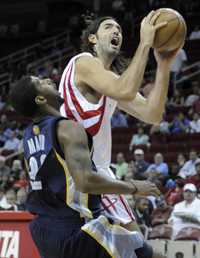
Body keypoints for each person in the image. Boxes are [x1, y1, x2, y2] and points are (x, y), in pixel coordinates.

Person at [10, 76, 165, 258]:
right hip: (76, 229)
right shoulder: (67, 128)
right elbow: (85, 181)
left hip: (43, 231)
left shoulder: (28, 136)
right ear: (40, 99)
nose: (47, 80)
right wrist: (134, 187)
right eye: (40, 82)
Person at [59, 12, 180, 231]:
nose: (116, 31)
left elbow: (153, 114)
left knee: (134, 247)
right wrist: (144, 43)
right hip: (76, 173)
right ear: (92, 39)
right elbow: (124, 89)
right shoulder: (82, 62)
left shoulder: (113, 82)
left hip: (98, 175)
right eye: (108, 27)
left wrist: (163, 64)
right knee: (135, 248)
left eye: (119, 29)